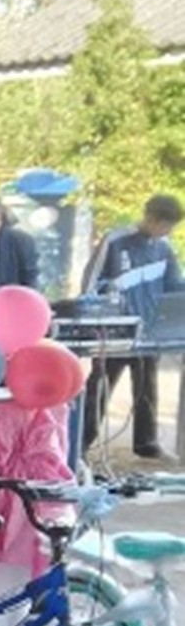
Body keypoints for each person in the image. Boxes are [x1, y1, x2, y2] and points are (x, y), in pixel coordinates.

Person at [82, 192, 185, 459]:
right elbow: (91, 281)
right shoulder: (115, 241)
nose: (165, 231)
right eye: (163, 225)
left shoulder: (164, 248)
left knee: (147, 388)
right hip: (116, 330)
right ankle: (82, 441)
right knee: (100, 387)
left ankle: (146, 442)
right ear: (150, 217)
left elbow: (174, 284)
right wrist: (95, 316)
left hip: (149, 331)